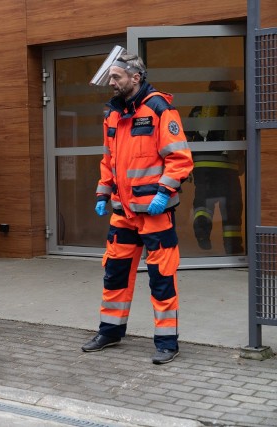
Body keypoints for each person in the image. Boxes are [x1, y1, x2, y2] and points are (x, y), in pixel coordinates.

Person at [82, 53, 193, 364]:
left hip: (155, 213)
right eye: (111, 77)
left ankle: (167, 342)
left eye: (117, 77)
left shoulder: (159, 108)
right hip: (123, 213)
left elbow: (180, 158)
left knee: (161, 276)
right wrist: (103, 194)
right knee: (114, 273)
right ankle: (110, 331)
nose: (112, 82)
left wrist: (164, 193)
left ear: (135, 78)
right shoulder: (113, 114)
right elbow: (109, 160)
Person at [186, 80, 244, 255]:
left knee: (203, 201)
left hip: (202, 165)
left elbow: (186, 137)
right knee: (232, 206)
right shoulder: (235, 108)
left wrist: (187, 165)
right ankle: (232, 247)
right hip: (227, 166)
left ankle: (202, 231)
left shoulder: (198, 109)